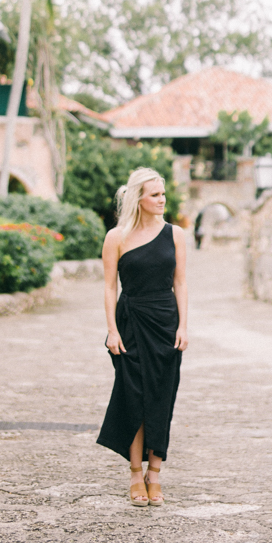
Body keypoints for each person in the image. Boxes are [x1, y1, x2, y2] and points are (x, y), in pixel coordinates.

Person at [97, 168, 188, 507]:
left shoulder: (175, 234)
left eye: (163, 194)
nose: (162, 200)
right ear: (139, 198)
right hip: (131, 321)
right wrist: (112, 329)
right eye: (154, 195)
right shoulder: (116, 237)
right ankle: (135, 474)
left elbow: (180, 281)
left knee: (162, 397)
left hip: (166, 322)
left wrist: (183, 325)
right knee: (132, 395)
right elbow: (109, 286)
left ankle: (155, 474)